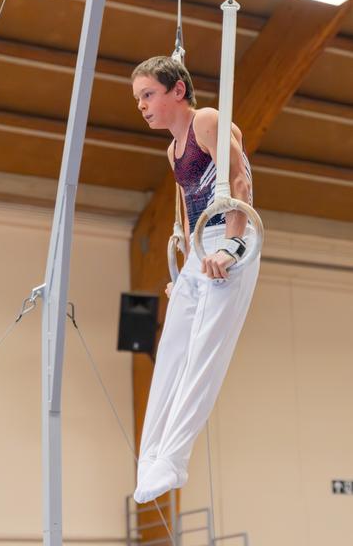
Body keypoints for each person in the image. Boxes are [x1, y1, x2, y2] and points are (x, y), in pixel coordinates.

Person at [131, 55, 260, 504]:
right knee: (170, 350)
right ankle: (150, 455)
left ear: (177, 91)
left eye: (148, 95)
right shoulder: (173, 150)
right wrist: (185, 269)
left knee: (204, 349)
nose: (142, 106)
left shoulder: (207, 121)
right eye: (139, 99)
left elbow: (239, 182)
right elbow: (189, 211)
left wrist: (233, 245)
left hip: (232, 235)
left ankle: (174, 458)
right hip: (202, 246)